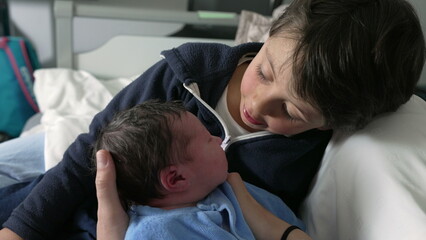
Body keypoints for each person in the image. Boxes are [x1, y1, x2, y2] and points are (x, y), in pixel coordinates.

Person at [0, 0, 424, 239]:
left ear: (329, 125)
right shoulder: (188, 72)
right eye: (264, 71)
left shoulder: (297, 157)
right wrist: (21, 230)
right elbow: (88, 155)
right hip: (80, 188)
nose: (258, 106)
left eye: (291, 112)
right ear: (269, 35)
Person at [93, 100, 305, 239]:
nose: (218, 139)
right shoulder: (154, 233)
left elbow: (289, 221)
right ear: (176, 178)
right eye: (207, 139)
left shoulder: (232, 191)